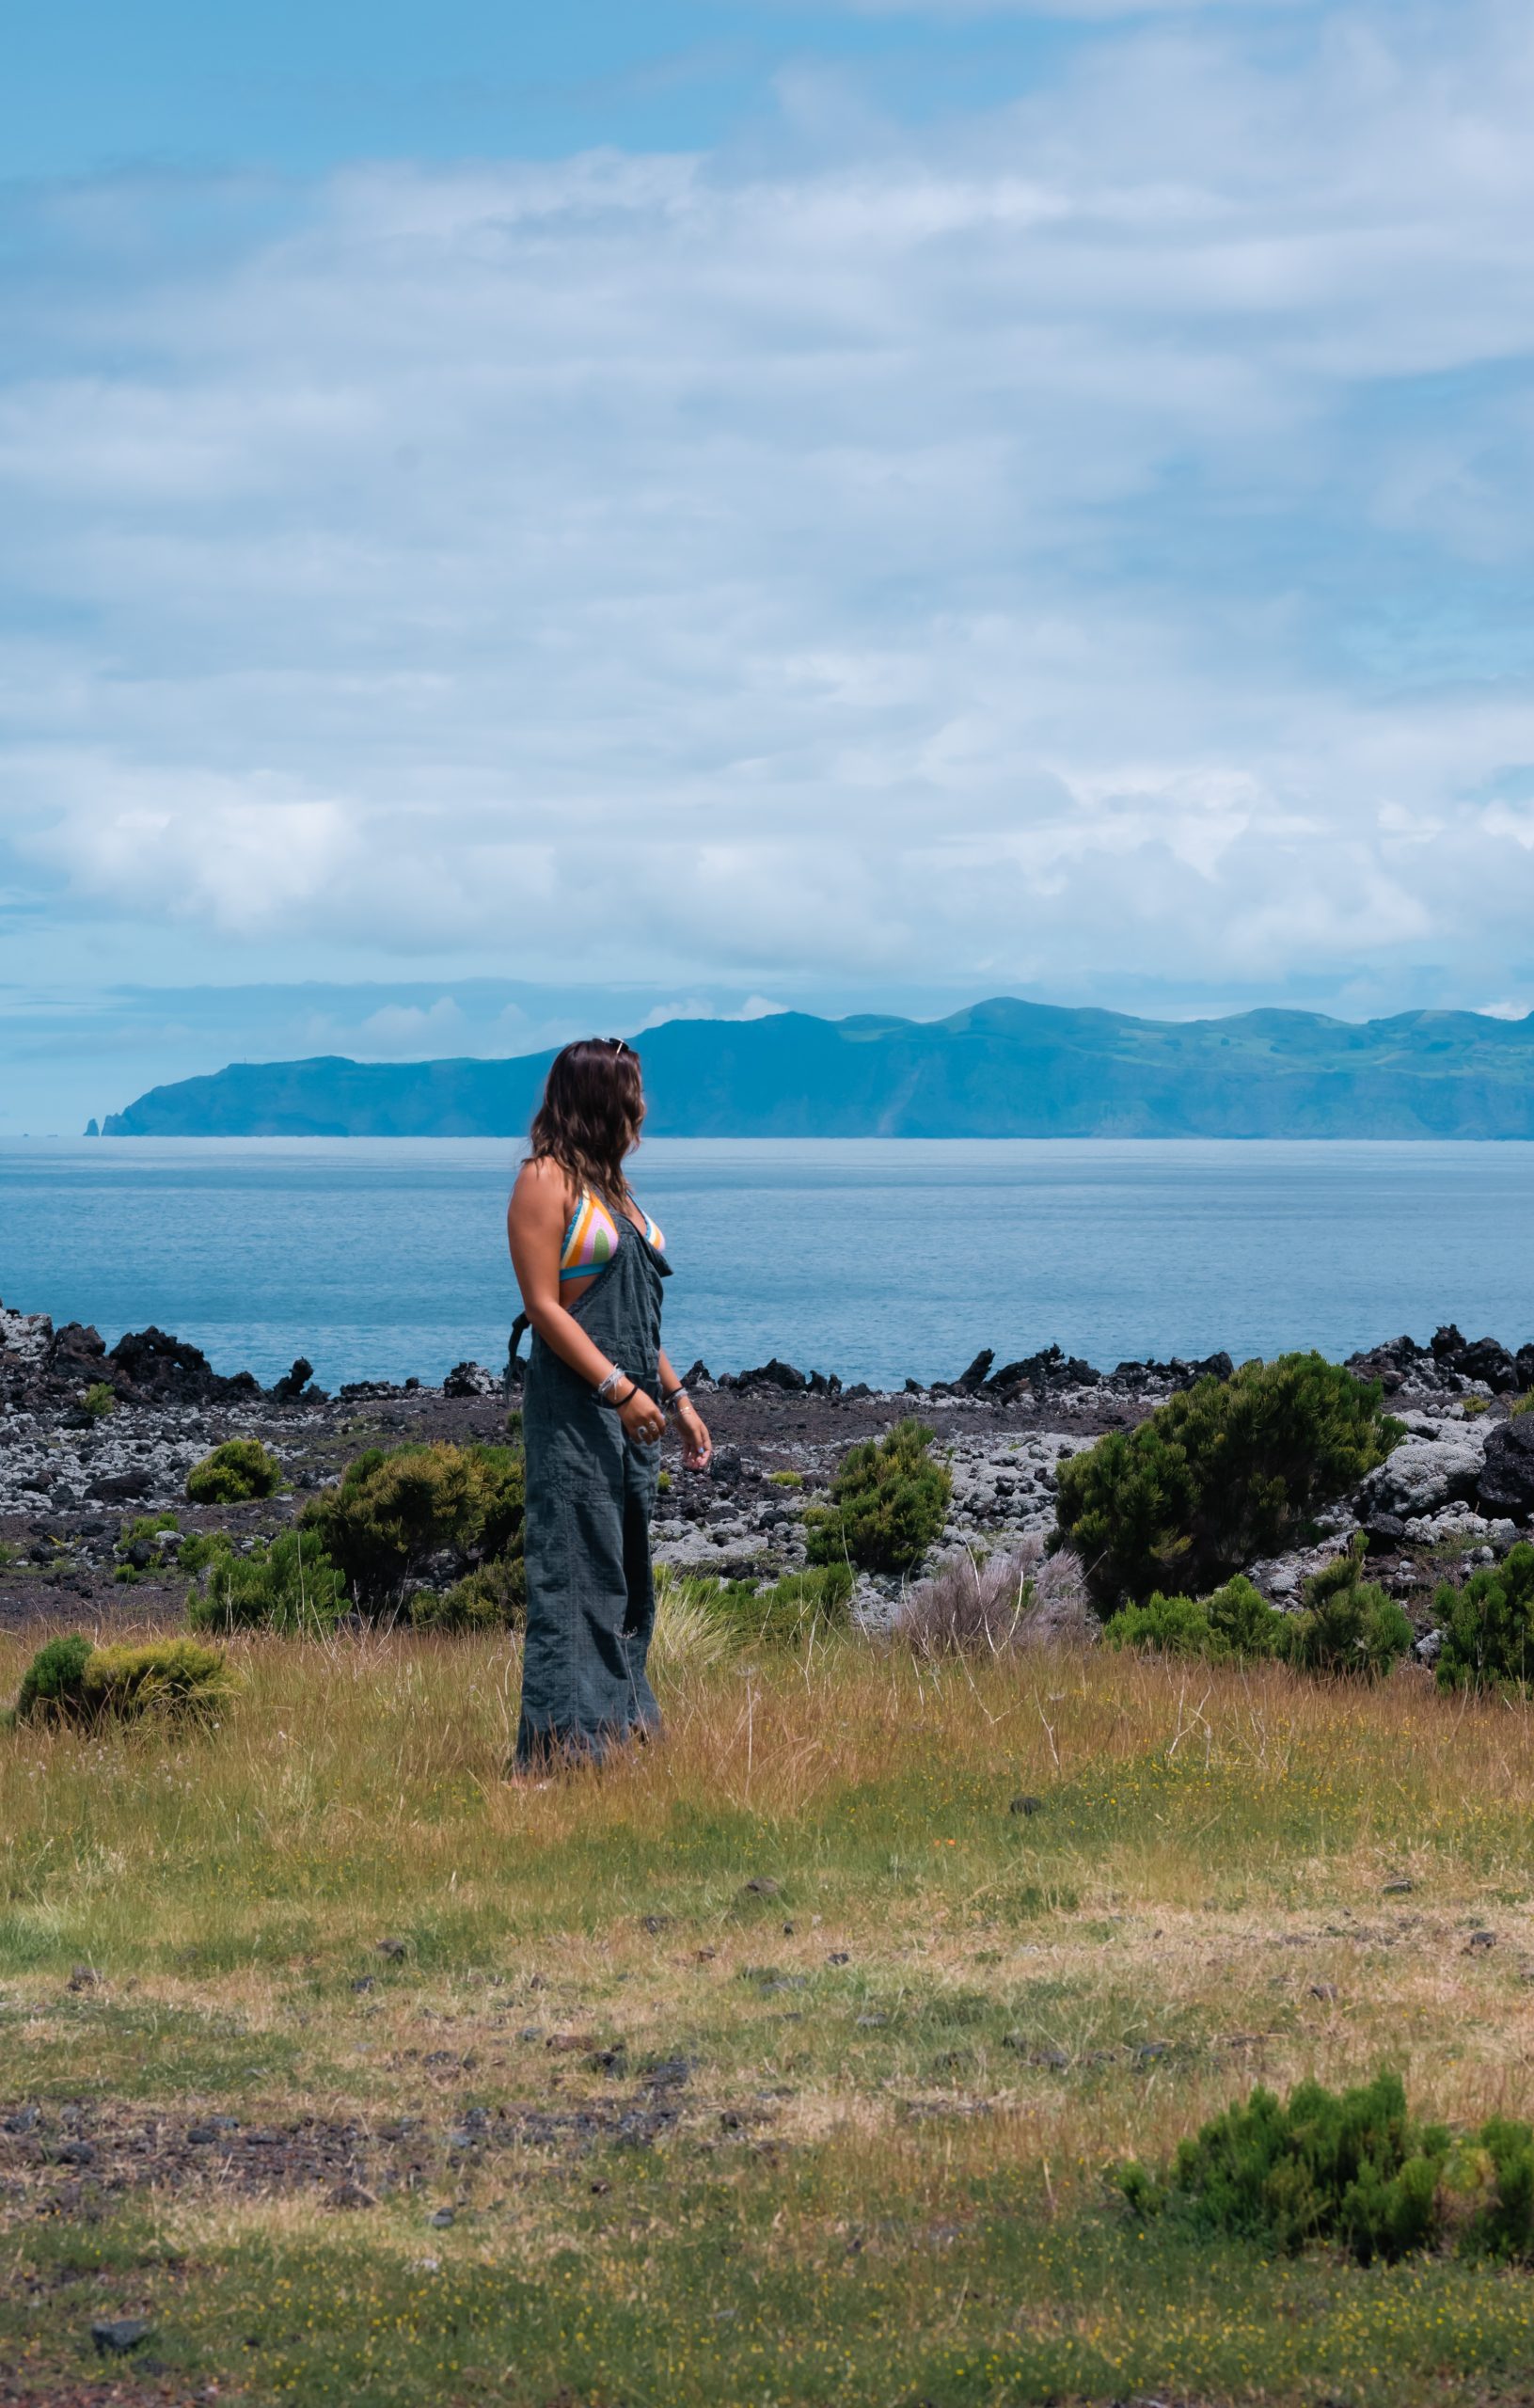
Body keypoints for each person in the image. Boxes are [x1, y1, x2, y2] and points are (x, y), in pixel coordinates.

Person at [506, 1038, 711, 1767]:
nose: (642, 1106)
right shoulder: (544, 1181)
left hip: (634, 1416)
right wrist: (616, 1390)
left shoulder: (615, 1190)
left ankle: (621, 1740)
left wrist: (676, 1397)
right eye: (632, 1092)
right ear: (600, 1097)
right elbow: (544, 1308)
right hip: (576, 1413)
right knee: (574, 1577)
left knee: (625, 1579)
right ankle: (558, 1755)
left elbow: (637, 1318)